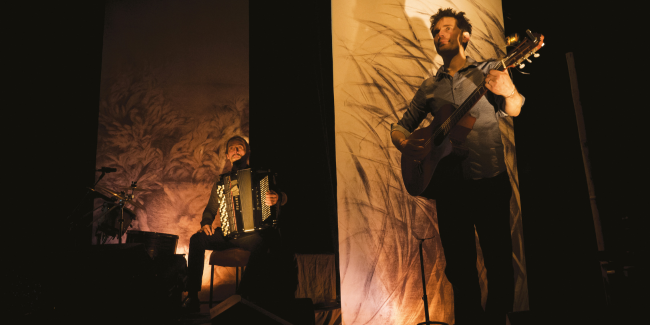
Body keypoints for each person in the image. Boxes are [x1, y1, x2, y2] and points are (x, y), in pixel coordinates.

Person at [391, 8, 524, 325]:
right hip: (450, 188)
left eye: (446, 28)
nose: (439, 35)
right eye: (435, 31)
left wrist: (510, 92)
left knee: (499, 261)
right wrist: (406, 144)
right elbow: (400, 126)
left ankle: (496, 320)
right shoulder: (429, 87)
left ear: (465, 36)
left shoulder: (490, 71)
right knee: (459, 267)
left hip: (489, 180)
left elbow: (514, 108)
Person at [184, 136, 287, 312]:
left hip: (250, 235)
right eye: (232, 148)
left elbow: (282, 195)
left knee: (262, 245)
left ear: (247, 152)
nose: (236, 151)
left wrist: (278, 198)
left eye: (240, 147)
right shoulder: (221, 182)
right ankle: (192, 296)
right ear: (227, 155)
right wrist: (206, 222)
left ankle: (242, 297)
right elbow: (210, 208)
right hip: (227, 234)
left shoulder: (261, 176)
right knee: (197, 240)